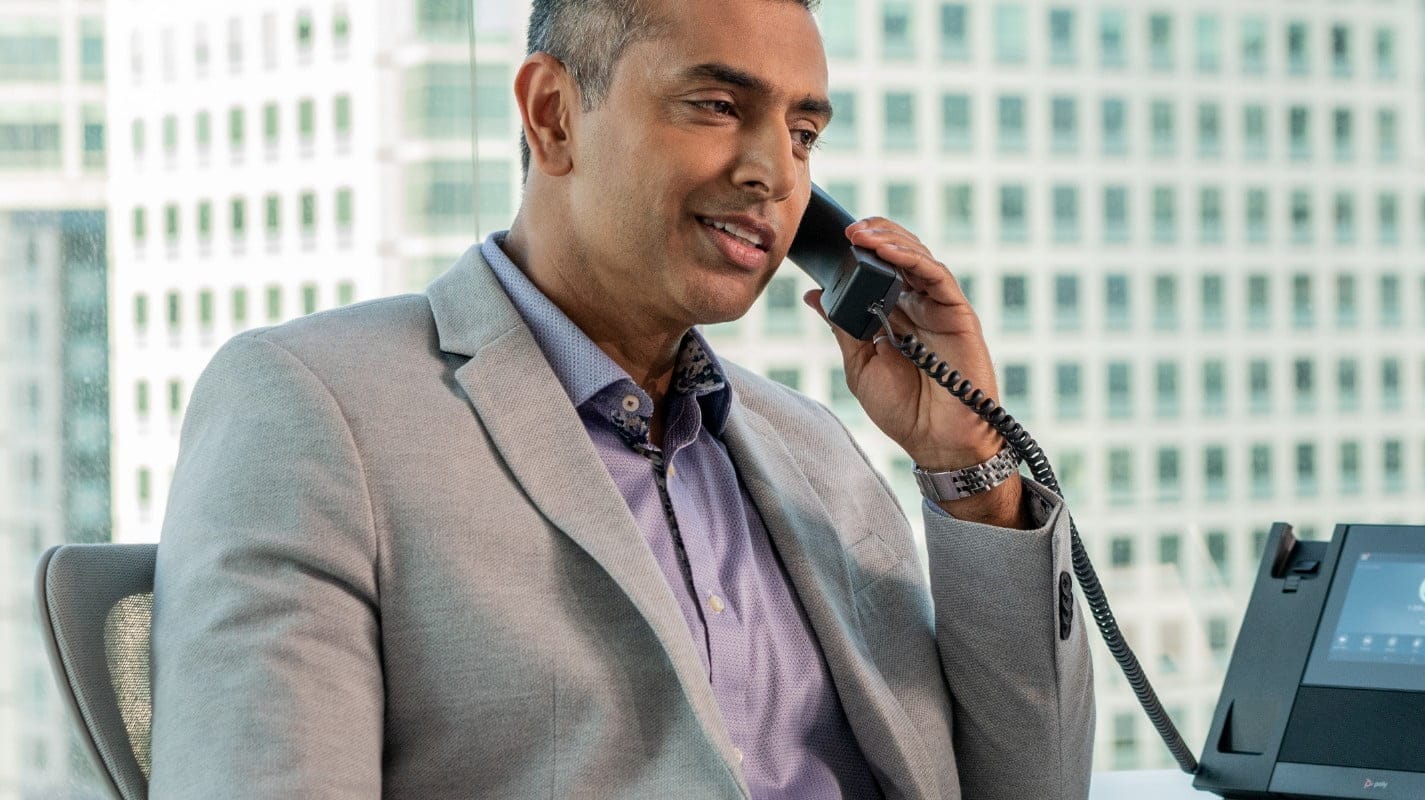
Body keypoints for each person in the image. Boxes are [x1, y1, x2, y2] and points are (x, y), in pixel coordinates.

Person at [148, 0, 1093, 796]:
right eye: (718, 105)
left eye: (805, 133)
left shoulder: (812, 449)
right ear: (554, 114)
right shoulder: (314, 407)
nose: (777, 173)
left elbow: (1034, 783)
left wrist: (969, 464)